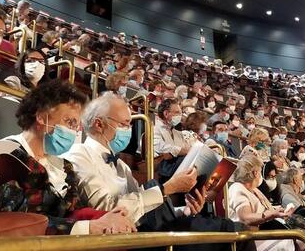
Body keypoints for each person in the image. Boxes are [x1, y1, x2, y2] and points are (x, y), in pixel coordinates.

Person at [0, 80, 135, 235]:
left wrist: (105, 217)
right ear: (41, 117)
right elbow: (11, 222)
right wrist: (87, 227)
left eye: (76, 126)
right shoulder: (4, 154)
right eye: (70, 122)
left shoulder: (65, 166)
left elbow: (74, 213)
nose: (73, 132)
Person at [63, 92, 206, 224]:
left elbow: (141, 208)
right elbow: (106, 210)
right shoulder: (78, 155)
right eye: (123, 125)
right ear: (99, 124)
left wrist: (184, 211)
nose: (128, 130)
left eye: (129, 125)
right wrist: (165, 189)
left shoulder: (121, 165)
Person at [228, 152, 295, 251]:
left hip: (259, 234)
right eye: (260, 172)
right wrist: (271, 214)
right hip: (246, 240)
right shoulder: (237, 187)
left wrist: (280, 211)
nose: (261, 176)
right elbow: (245, 217)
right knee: (286, 241)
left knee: (300, 239)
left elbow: (267, 209)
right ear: (255, 173)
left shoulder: (254, 190)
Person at [154, 99, 191, 183]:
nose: (180, 116)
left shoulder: (178, 133)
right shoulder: (154, 127)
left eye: (181, 113)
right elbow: (159, 148)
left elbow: (186, 149)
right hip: (160, 168)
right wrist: (181, 151)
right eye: (177, 113)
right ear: (166, 113)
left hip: (175, 169)